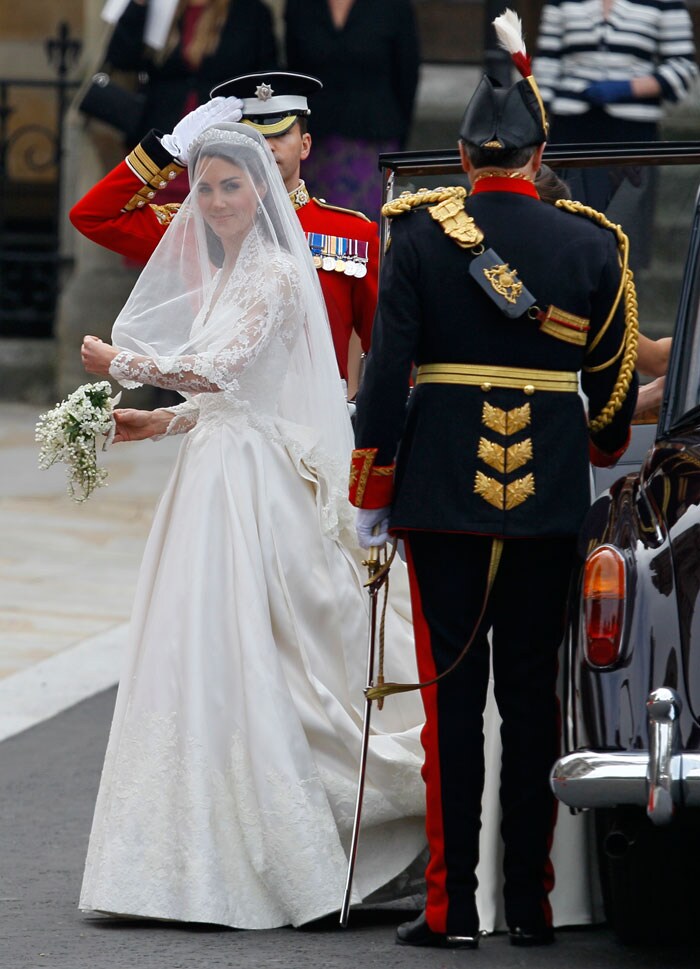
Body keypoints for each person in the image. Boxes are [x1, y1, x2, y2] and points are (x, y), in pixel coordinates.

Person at [77, 121, 427, 927]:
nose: (217, 200)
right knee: (192, 650)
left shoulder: (274, 266)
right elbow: (228, 398)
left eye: (232, 185)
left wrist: (123, 364)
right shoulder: (230, 266)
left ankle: (292, 837)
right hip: (215, 467)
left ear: (263, 190)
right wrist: (153, 423)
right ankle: (181, 853)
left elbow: (220, 367)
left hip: (261, 480)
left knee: (266, 646)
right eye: (204, 187)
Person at [349, 13, 638, 949]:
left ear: (466, 155)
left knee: (452, 705)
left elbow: (384, 381)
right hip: (549, 502)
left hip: (439, 500)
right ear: (539, 152)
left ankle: (450, 911)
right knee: (532, 703)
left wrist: (372, 490)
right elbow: (609, 414)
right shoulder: (597, 246)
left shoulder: (420, 235)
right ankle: (531, 907)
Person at [69, 72, 379, 399]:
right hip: (230, 423)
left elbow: (382, 341)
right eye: (254, 139)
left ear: (305, 145)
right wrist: (169, 152)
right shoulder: (204, 223)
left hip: (322, 418)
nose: (267, 147)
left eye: (279, 135)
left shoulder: (353, 233)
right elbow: (92, 217)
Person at [533, 0, 698, 267]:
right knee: (566, 223)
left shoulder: (666, 4)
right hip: (571, 131)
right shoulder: (561, 2)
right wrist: (540, 120)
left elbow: (682, 68)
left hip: (632, 133)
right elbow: (547, 65)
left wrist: (628, 88)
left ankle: (623, 300)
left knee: (626, 229)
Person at [103, 0, 278, 201]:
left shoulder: (250, 11)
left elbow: (266, 76)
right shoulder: (162, 8)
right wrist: (138, 6)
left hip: (223, 140)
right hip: (163, 137)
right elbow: (120, 58)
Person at [284, 0, 421, 219]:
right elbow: (294, 76)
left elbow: (406, 76)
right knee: (314, 227)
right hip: (315, 144)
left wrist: (399, 140)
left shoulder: (394, 6)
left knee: (365, 232)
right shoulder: (300, 6)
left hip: (372, 142)